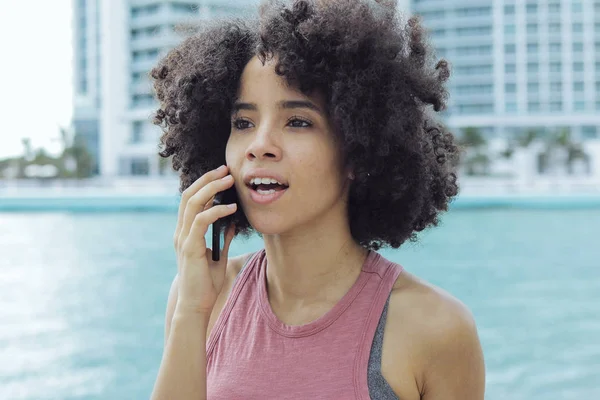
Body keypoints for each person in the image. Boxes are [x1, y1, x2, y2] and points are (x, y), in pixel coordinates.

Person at [149, 0, 485, 399]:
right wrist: (192, 309)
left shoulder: (436, 329)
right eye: (243, 123)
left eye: (298, 121)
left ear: (357, 152)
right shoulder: (198, 299)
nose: (259, 146)